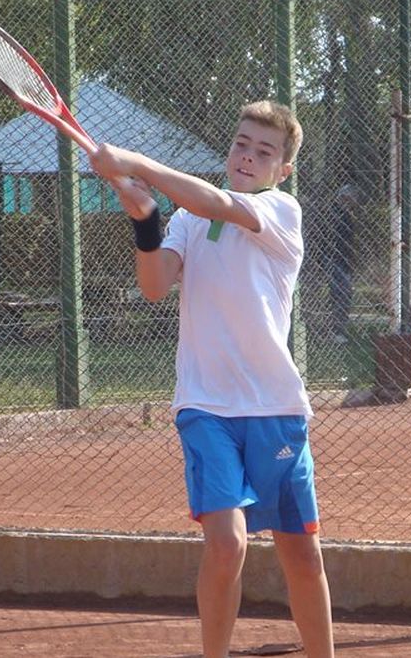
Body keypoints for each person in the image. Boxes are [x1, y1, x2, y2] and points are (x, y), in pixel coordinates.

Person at [89, 100, 334, 658]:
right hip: (206, 407)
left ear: (282, 171)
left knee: (303, 554)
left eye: (264, 151)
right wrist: (145, 220)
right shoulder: (188, 219)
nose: (248, 156)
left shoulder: (281, 210)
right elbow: (156, 284)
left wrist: (134, 162)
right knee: (227, 544)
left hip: (276, 408)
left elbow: (218, 201)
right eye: (241, 144)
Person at [323, 183, 357, 342]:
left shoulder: (341, 213)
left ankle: (336, 329)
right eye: (350, 199)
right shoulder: (336, 214)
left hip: (339, 259)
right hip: (335, 259)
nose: (352, 203)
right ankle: (336, 331)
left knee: (342, 293)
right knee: (341, 293)